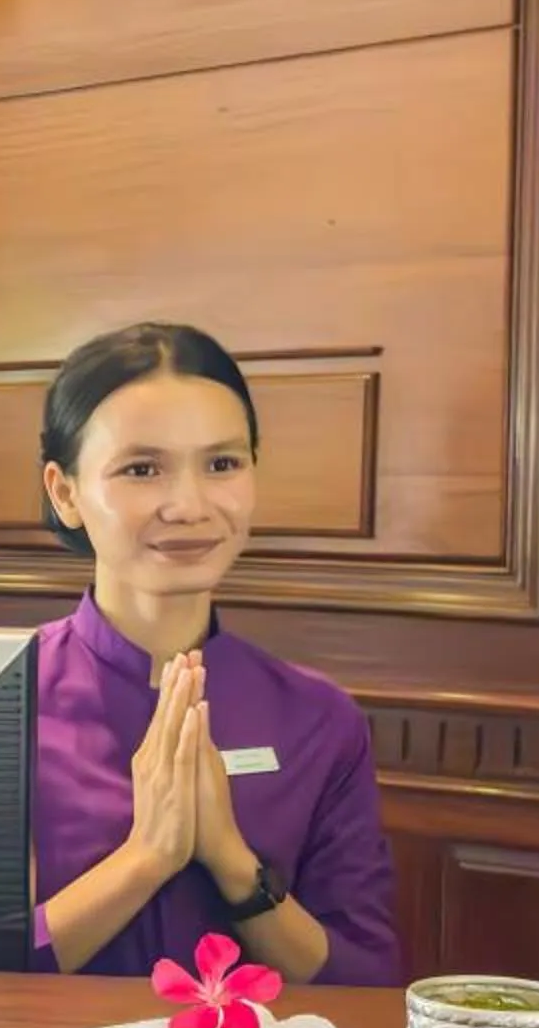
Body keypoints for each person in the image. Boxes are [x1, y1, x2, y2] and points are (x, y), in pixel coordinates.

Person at [31, 322, 401, 984]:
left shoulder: (320, 718)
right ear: (66, 494)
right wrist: (147, 856)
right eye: (142, 469)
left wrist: (232, 862)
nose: (190, 505)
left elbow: (364, 981)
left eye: (223, 464)